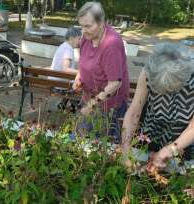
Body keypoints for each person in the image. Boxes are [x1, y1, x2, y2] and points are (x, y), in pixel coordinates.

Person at [121, 42, 194, 170]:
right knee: (139, 169)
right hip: (151, 129)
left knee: (175, 175)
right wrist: (125, 148)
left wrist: (171, 149)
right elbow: (134, 110)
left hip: (183, 135)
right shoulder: (150, 70)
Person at [73, 2, 129, 140]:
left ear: (102, 22)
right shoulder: (87, 38)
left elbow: (115, 83)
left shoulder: (111, 44)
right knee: (80, 140)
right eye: (81, 26)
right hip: (89, 99)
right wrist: (78, 78)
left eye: (88, 26)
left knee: (100, 146)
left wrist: (91, 105)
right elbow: (84, 64)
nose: (83, 31)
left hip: (108, 107)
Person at [50, 26, 82, 112]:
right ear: (72, 38)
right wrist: (81, 72)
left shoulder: (63, 46)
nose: (80, 42)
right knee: (81, 84)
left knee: (73, 82)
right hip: (60, 85)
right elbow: (65, 69)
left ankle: (63, 104)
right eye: (79, 39)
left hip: (55, 81)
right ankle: (77, 106)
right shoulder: (68, 49)